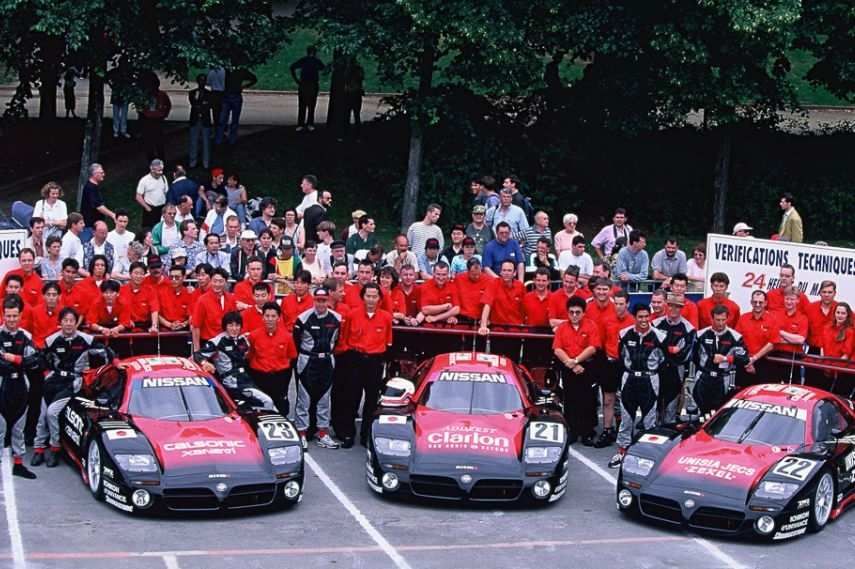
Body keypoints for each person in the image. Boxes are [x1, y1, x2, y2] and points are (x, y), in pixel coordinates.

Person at [32, 309, 112, 468]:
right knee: (42, 415)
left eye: (71, 321)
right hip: (54, 379)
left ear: (76, 323)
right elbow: (42, 359)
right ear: (60, 322)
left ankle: (55, 448)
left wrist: (111, 366)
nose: (68, 324)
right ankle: (39, 448)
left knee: (51, 413)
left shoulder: (86, 339)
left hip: (73, 381)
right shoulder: (51, 340)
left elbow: (106, 353)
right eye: (65, 320)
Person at [609, 304, 667, 468]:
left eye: (646, 317)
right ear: (635, 317)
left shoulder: (660, 337)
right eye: (640, 317)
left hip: (650, 379)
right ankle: (622, 452)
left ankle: (647, 454)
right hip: (630, 378)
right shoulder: (624, 334)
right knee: (626, 418)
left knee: (649, 420)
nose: (644, 320)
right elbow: (621, 357)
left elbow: (664, 360)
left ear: (650, 316)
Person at [344, 283, 393, 446]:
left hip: (375, 361)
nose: (371, 300)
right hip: (355, 360)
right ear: (362, 297)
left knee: (372, 401)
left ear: (379, 299)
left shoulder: (386, 317)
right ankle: (349, 434)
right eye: (368, 296)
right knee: (352, 398)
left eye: (374, 296)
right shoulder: (352, 315)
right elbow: (345, 339)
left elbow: (388, 342)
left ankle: (366, 435)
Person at [195, 311, 274, 410]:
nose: (234, 329)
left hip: (246, 380)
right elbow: (197, 355)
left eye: (237, 325)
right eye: (231, 325)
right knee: (266, 401)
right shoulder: (217, 341)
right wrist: (205, 363)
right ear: (225, 326)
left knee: (272, 404)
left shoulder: (243, 339)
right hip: (231, 383)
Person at [293, 288, 341, 448]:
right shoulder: (303, 318)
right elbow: (296, 340)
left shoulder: (337, 318)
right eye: (318, 300)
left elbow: (338, 340)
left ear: (328, 300)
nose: (321, 303)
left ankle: (323, 433)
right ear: (314, 300)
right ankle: (301, 432)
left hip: (327, 360)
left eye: (323, 300)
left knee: (324, 399)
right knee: (303, 399)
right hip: (308, 361)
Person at [0, 297, 42, 478]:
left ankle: (18, 464)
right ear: (3, 315)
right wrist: (16, 363)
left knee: (18, 425)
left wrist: (14, 359)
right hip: (2, 383)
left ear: (20, 315)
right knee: (0, 426)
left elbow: (36, 361)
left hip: (20, 385)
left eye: (14, 316)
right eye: (8, 315)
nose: (11, 319)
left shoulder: (26, 336)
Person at [553, 296, 601, 445]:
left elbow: (593, 347)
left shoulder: (591, 325)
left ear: (583, 313)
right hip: (569, 367)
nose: (574, 315)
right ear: (567, 313)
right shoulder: (562, 328)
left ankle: (587, 432)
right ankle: (572, 431)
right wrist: (572, 363)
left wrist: (577, 361)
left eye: (578, 312)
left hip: (586, 367)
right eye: (571, 312)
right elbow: (557, 349)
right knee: (570, 399)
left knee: (588, 400)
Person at [692, 305, 749, 417]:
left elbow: (744, 358)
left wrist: (726, 358)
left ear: (727, 319)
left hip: (723, 378)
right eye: (718, 320)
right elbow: (694, 356)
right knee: (700, 411)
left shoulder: (735, 337)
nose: (720, 323)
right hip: (703, 377)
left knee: (719, 413)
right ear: (711, 319)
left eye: (723, 320)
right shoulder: (701, 334)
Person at [594, 289, 634, 448]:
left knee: (626, 399)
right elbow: (601, 343)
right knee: (608, 399)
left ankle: (625, 430)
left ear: (628, 304)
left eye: (621, 304)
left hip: (626, 365)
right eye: (616, 304)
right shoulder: (607, 320)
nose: (618, 307)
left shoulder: (633, 321)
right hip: (610, 363)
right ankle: (607, 430)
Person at [248, 302, 298, 416]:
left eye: (273, 316)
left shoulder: (287, 337)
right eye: (267, 316)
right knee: (259, 409)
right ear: (263, 317)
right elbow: (249, 357)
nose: (270, 319)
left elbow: (292, 357)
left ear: (279, 318)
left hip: (279, 378)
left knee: (281, 409)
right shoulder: (253, 336)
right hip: (259, 378)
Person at [653, 294, 696, 424]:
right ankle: (652, 429)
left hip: (676, 370)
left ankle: (669, 428)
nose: (673, 309)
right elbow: (651, 348)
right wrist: (670, 349)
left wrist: (664, 348)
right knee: (655, 401)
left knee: (671, 404)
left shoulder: (688, 328)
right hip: (657, 369)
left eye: (677, 307)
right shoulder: (655, 324)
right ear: (666, 305)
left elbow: (684, 355)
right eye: (671, 305)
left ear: (682, 308)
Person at [735, 290, 779, 387]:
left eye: (760, 302)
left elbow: (772, 344)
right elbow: (737, 341)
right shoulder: (743, 318)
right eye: (755, 302)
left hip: (764, 363)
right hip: (745, 362)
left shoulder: (773, 320)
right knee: (741, 394)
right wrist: (747, 361)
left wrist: (754, 359)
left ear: (766, 303)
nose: (757, 304)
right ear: (751, 302)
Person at [191, 268, 237, 351]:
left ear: (226, 282)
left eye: (221, 281)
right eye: (215, 281)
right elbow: (196, 326)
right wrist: (196, 350)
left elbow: (234, 322)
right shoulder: (202, 300)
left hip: (226, 343)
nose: (217, 284)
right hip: (208, 343)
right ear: (210, 281)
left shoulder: (231, 298)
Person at [478, 260, 526, 332]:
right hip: (497, 329)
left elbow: (524, 308)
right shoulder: (493, 283)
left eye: (509, 270)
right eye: (504, 270)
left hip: (516, 330)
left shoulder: (520, 286)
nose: (506, 273)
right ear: (500, 272)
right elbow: (487, 304)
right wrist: (483, 326)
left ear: (515, 273)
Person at [214, 67, 257, 145]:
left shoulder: (240, 71)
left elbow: (254, 79)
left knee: (232, 120)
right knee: (223, 119)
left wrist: (243, 86)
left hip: (234, 96)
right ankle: (220, 140)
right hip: (227, 96)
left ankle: (230, 140)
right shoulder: (227, 70)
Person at [291, 46, 325, 132]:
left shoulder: (304, 60)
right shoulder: (316, 61)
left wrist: (296, 80)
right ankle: (310, 123)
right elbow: (323, 68)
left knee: (302, 104)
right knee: (311, 104)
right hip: (312, 84)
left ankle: (301, 124)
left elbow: (292, 67)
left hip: (304, 84)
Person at [821, 303, 854, 390]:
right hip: (825, 368)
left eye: (843, 313)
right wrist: (823, 364)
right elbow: (822, 347)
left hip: (840, 370)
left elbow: (846, 355)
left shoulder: (850, 331)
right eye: (838, 312)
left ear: (847, 315)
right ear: (834, 313)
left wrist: (833, 368)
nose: (840, 315)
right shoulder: (827, 327)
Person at [138, 77, 172, 162]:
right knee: (149, 143)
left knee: (159, 143)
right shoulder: (145, 95)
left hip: (158, 120)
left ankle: (161, 160)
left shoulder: (162, 95)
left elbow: (168, 105)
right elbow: (140, 107)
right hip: (148, 120)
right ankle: (151, 161)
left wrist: (164, 114)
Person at [120, 262, 160, 332]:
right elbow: (118, 309)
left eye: (141, 274)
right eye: (136, 273)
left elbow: (154, 310)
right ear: (130, 274)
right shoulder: (121, 290)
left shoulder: (150, 290)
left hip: (145, 327)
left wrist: (154, 326)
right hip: (126, 326)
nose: (138, 276)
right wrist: (126, 320)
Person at [80, 164, 116, 233]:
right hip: (90, 227)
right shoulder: (90, 188)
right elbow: (98, 206)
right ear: (94, 174)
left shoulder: (94, 187)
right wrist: (113, 215)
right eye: (101, 173)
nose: (104, 174)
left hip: (94, 226)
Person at [136, 159, 169, 229]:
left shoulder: (163, 178)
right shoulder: (144, 180)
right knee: (150, 229)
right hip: (151, 209)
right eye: (159, 170)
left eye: (161, 170)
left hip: (162, 208)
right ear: (152, 169)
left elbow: (166, 192)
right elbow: (138, 196)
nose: (161, 172)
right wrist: (147, 208)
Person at [158, 265, 192, 331]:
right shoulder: (161, 293)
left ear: (184, 277)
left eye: (177, 277)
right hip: (165, 329)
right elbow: (157, 314)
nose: (173, 280)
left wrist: (184, 324)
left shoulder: (189, 293)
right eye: (171, 277)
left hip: (184, 329)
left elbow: (192, 315)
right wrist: (169, 325)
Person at [206, 66, 226, 132]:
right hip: (222, 93)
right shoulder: (224, 71)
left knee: (215, 112)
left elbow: (208, 82)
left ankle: (216, 128)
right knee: (223, 112)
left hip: (214, 92)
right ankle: (222, 128)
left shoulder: (211, 71)